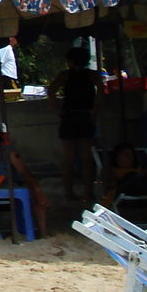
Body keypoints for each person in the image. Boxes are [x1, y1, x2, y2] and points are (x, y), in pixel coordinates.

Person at [0, 118, 48, 237]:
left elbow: (25, 174)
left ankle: (43, 234)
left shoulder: (9, 153)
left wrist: (38, 190)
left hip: (12, 191)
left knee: (32, 193)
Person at [49, 46, 103, 200]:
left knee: (69, 158)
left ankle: (69, 193)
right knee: (87, 158)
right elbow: (100, 91)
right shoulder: (92, 75)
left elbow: (51, 90)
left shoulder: (65, 75)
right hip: (86, 116)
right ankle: (88, 193)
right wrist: (94, 110)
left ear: (71, 61)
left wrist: (57, 111)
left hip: (69, 116)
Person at [101, 142, 147, 209]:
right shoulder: (112, 171)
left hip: (141, 185)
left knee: (143, 179)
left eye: (131, 155)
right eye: (126, 155)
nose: (129, 157)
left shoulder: (139, 170)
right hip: (124, 187)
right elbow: (110, 184)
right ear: (117, 157)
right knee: (137, 178)